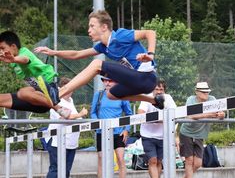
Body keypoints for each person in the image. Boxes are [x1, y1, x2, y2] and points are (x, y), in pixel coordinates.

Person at [35, 10, 164, 109]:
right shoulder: (103, 47)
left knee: (97, 64)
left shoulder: (119, 36)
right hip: (139, 84)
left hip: (146, 77)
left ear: (104, 27)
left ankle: (58, 93)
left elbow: (150, 33)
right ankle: (154, 100)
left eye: (92, 26)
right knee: (110, 94)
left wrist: (150, 55)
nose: (89, 30)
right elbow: (76, 54)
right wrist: (54, 52)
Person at [0, 31, 71, 118]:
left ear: (13, 46)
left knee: (22, 93)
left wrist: (14, 59)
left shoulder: (23, 52)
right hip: (39, 99)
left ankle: (57, 107)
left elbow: (25, 59)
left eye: (2, 48)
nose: (1, 51)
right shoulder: (12, 62)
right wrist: (13, 60)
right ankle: (53, 104)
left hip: (49, 88)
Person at [44, 77, 88, 178]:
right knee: (55, 167)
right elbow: (67, 117)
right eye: (69, 88)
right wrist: (80, 114)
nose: (71, 91)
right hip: (57, 140)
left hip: (71, 142)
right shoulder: (57, 101)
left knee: (66, 169)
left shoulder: (71, 100)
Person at [177, 82, 225, 178]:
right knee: (189, 160)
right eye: (203, 92)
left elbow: (221, 112)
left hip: (200, 134)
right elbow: (189, 116)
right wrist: (208, 115)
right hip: (186, 133)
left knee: (198, 163)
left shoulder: (212, 99)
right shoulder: (191, 100)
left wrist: (222, 115)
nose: (206, 94)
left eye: (207, 91)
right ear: (197, 92)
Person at [91, 77, 133, 178]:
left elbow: (129, 114)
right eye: (105, 80)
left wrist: (126, 129)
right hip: (102, 132)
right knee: (101, 159)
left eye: (110, 80)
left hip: (118, 133)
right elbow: (93, 112)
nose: (107, 83)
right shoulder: (98, 95)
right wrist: (97, 123)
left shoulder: (122, 96)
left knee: (120, 159)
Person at [138, 79, 177, 178]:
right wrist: (159, 119)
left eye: (161, 89)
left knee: (159, 162)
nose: (159, 91)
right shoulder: (147, 98)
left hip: (163, 136)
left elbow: (174, 114)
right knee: (153, 161)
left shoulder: (168, 98)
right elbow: (140, 113)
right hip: (148, 135)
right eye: (156, 89)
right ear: (152, 90)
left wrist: (175, 135)